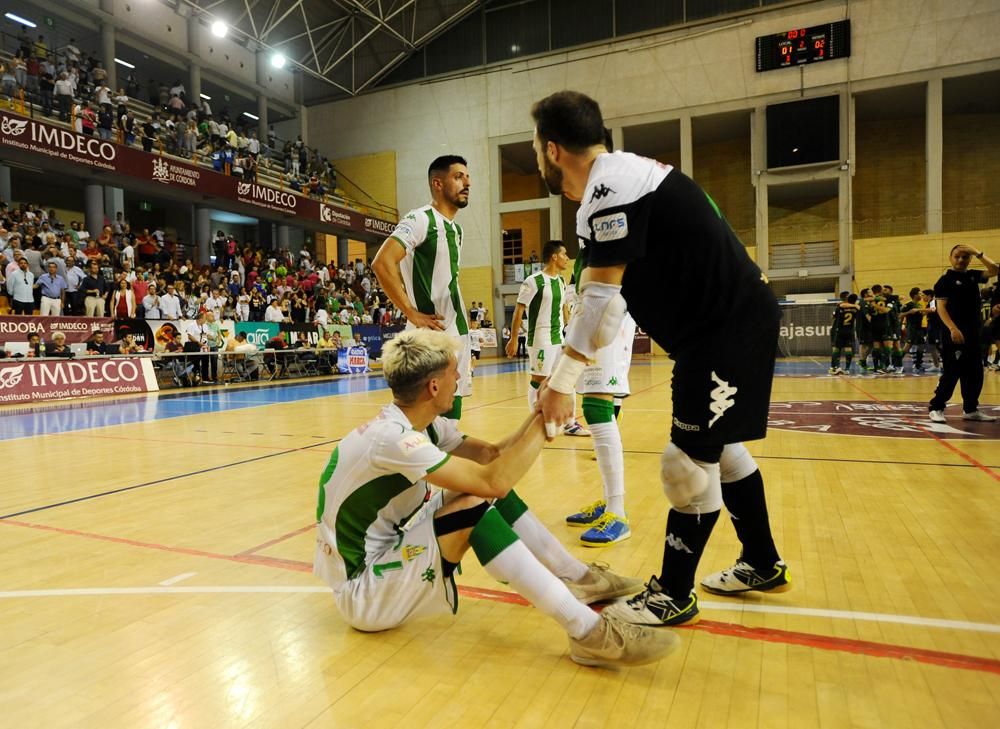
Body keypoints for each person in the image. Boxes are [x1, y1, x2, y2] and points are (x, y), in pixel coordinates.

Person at [531, 91, 790, 626]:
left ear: (552, 149)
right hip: (719, 328)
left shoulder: (610, 188)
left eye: (536, 148)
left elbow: (600, 306)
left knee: (686, 464)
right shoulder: (618, 183)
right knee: (722, 448)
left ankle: (672, 594)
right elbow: (605, 301)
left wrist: (561, 382)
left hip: (725, 328)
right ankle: (762, 561)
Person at [312, 329, 676, 667]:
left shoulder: (419, 424)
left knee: (479, 491)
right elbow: (496, 480)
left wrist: (540, 412)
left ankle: (579, 579)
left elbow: (489, 455)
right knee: (474, 507)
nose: (461, 380)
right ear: (434, 386)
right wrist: (551, 414)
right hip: (364, 592)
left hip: (387, 552)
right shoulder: (392, 439)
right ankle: (587, 632)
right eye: (457, 373)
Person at [373, 155, 472, 423]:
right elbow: (382, 263)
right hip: (432, 336)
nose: (467, 182)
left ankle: (442, 463)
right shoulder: (420, 219)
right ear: (437, 183)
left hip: (457, 332)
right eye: (459, 176)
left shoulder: (456, 230)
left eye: (467, 176)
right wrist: (410, 312)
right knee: (423, 417)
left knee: (451, 413)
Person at [928, 244, 998, 423]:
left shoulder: (973, 276)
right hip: (954, 334)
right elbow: (941, 309)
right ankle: (936, 407)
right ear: (950, 258)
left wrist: (977, 252)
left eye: (965, 257)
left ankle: (970, 409)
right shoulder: (944, 281)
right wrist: (952, 328)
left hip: (974, 333)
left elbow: (995, 269)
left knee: (975, 372)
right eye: (957, 256)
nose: (961, 260)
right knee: (953, 371)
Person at [829, 294, 860, 375]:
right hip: (850, 331)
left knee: (836, 349)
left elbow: (833, 316)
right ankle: (847, 369)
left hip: (840, 330)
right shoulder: (856, 308)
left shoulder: (840, 307)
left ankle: (837, 367)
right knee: (848, 349)